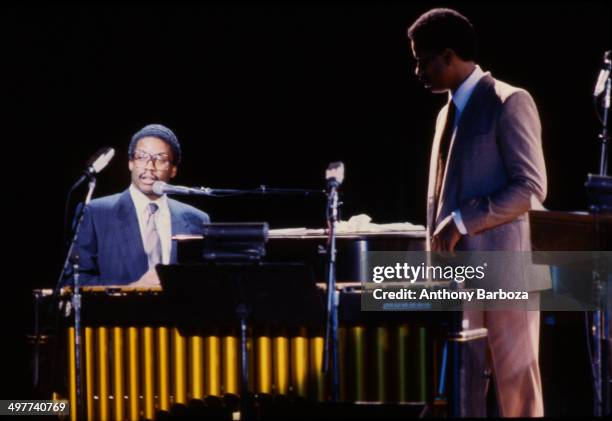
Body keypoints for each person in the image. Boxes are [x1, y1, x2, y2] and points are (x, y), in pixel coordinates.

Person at [407, 8, 549, 417]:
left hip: (505, 272)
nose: (418, 70)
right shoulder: (443, 114)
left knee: (516, 394)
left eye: (423, 59)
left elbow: (531, 187)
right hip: (456, 278)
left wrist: (465, 219)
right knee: (459, 394)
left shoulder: (510, 100)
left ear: (449, 55)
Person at [72, 124, 210, 287]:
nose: (150, 166)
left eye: (160, 159)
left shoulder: (197, 219)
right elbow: (76, 281)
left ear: (173, 169)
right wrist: (131, 290)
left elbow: (206, 282)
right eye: (142, 157)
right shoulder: (95, 213)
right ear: (130, 163)